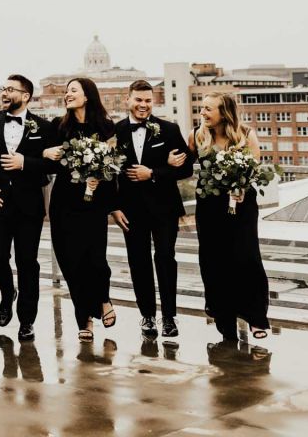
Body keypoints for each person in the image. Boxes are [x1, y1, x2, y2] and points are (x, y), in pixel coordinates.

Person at [0, 75, 53, 342]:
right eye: (2, 89)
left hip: (29, 206)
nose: (4, 93)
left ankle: (27, 320)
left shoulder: (43, 126)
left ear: (25, 95)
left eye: (10, 90)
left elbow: (53, 164)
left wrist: (25, 163)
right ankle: (7, 292)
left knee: (27, 263)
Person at [42, 78, 123, 341]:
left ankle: (103, 299)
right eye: (66, 91)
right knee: (71, 262)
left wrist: (113, 206)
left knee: (95, 259)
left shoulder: (106, 128)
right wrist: (46, 153)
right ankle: (84, 319)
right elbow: (50, 165)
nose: (67, 95)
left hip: (94, 203)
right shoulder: (59, 126)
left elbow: (114, 171)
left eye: (73, 91)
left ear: (87, 96)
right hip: (65, 201)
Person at [114, 80, 193, 339]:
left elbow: (186, 168)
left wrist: (154, 173)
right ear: (128, 100)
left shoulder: (168, 129)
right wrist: (114, 208)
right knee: (138, 262)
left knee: (165, 259)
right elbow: (107, 174)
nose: (143, 105)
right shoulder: (116, 133)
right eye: (138, 100)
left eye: (148, 100)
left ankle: (169, 317)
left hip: (165, 208)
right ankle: (147, 316)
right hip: (130, 211)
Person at [191, 92, 271, 342]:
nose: (202, 113)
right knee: (214, 263)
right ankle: (224, 320)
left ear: (224, 113)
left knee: (246, 259)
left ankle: (256, 316)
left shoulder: (246, 134)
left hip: (241, 206)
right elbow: (183, 166)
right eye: (202, 108)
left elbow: (253, 170)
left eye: (208, 109)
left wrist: (240, 188)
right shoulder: (197, 135)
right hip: (209, 208)